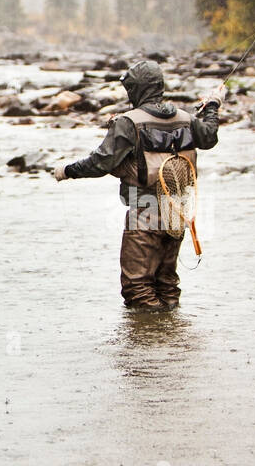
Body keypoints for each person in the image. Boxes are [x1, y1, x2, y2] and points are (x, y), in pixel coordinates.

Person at [53, 59, 222, 311]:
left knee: (137, 287)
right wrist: (211, 107)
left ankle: (147, 343)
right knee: (166, 282)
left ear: (137, 89)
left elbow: (100, 164)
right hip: (177, 212)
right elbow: (209, 136)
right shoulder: (185, 118)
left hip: (144, 212)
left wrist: (67, 171)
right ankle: (172, 339)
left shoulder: (128, 122)